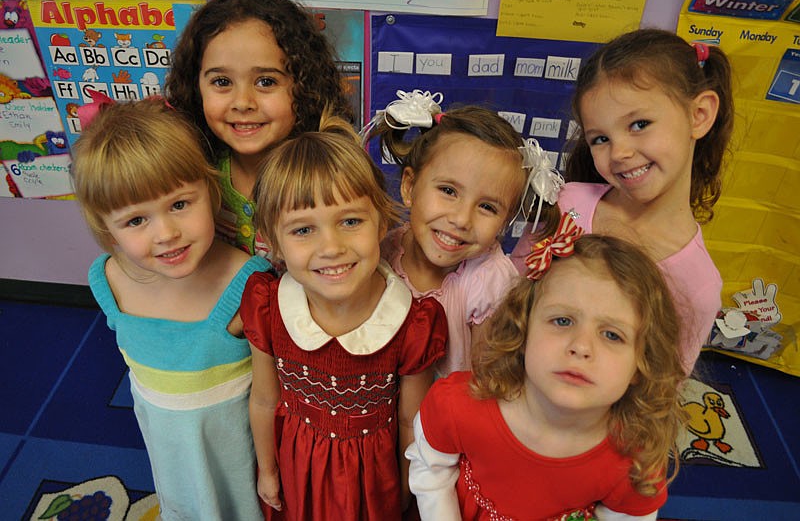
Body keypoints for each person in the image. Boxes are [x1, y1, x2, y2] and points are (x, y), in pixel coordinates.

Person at [408, 214, 688, 520]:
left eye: (612, 335)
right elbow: (431, 474)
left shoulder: (634, 457)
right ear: (523, 329)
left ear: (641, 365)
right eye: (562, 320)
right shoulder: (459, 404)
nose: (581, 346)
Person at [240, 109, 448, 520]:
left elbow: (411, 421)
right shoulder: (268, 306)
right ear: (274, 242)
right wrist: (267, 471)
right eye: (303, 229)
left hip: (374, 485)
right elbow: (265, 400)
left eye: (350, 221)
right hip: (299, 472)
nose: (331, 246)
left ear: (381, 221)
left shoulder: (412, 324)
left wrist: (407, 492)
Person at [70, 98, 272, 520]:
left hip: (243, 473)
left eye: (180, 204)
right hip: (171, 463)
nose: (166, 234)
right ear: (105, 226)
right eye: (135, 221)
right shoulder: (107, 280)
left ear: (211, 191)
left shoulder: (249, 284)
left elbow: (274, 397)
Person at [511, 28, 734, 375]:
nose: (620, 153)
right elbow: (508, 297)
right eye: (600, 138)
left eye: (639, 124)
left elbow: (659, 396)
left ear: (699, 114)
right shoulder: (565, 203)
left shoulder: (699, 285)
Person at [364, 91, 562, 378]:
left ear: (505, 222)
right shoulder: (383, 249)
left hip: (444, 417)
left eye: (486, 207)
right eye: (448, 191)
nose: (460, 219)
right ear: (410, 187)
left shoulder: (491, 281)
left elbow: (487, 381)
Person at [165, 0, 353, 259]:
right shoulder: (193, 172)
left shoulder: (329, 174)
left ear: (304, 86)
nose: (243, 102)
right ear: (196, 87)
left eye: (266, 82)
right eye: (222, 82)